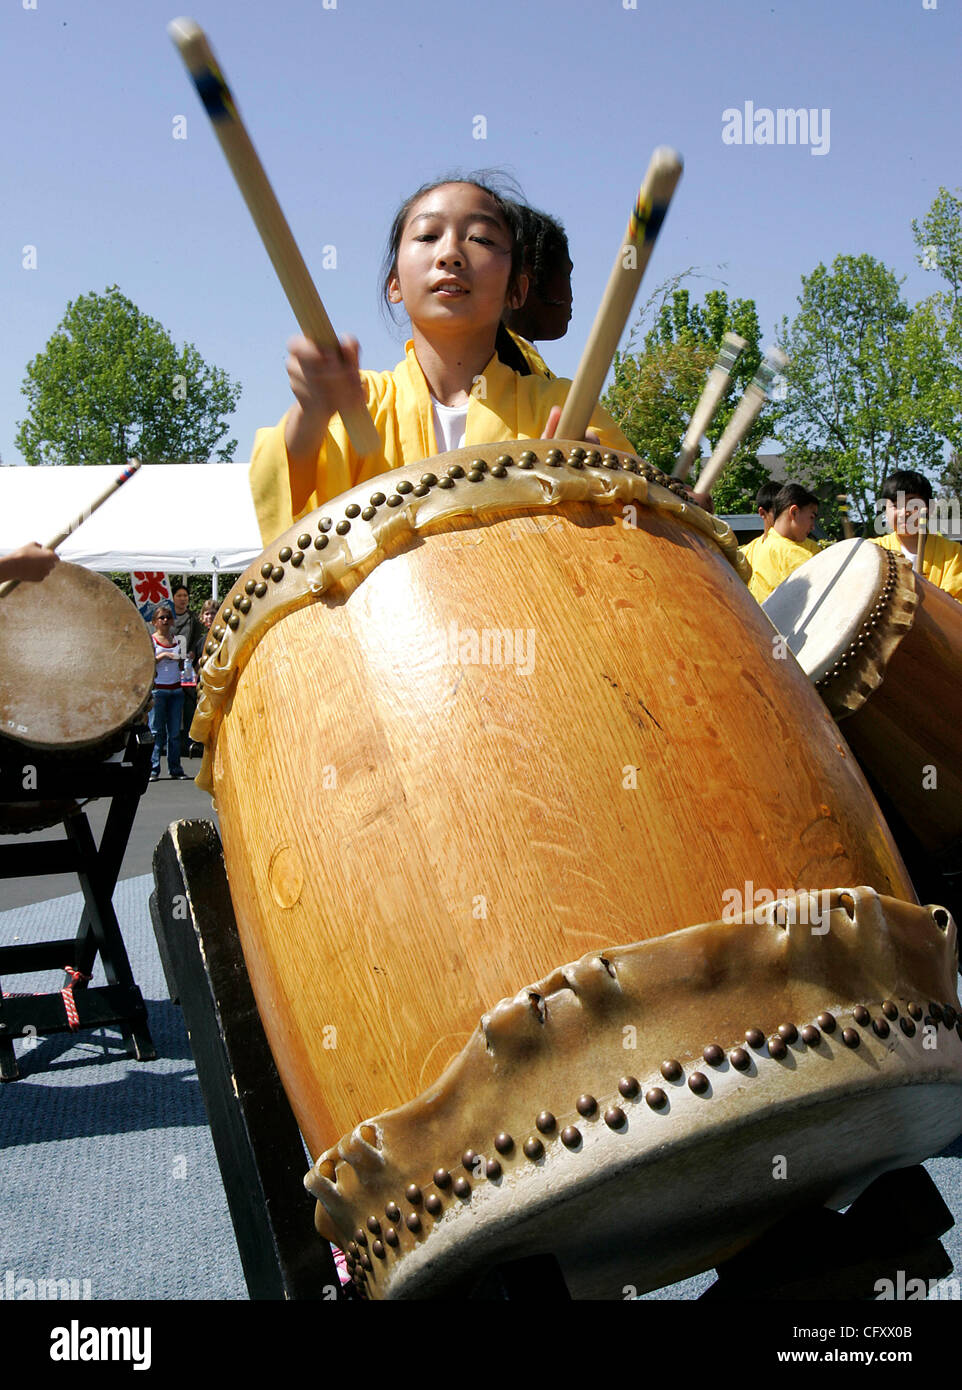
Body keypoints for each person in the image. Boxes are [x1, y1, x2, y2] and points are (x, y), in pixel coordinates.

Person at [249, 176, 635, 545]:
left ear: (516, 290)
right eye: (427, 236)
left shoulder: (566, 406)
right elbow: (283, 499)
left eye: (481, 238)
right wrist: (312, 414)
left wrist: (594, 489)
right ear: (394, 284)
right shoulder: (359, 403)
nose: (450, 254)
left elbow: (639, 521)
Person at [503, 204, 573, 378]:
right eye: (567, 275)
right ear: (530, 266)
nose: (571, 296)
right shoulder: (500, 360)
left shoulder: (532, 367)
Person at [872, 469, 962, 601]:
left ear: (930, 507)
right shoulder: (874, 550)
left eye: (912, 504)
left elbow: (955, 607)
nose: (904, 513)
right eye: (896, 505)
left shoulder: (953, 553)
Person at [746, 483, 821, 603]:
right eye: (811, 517)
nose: (812, 527)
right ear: (794, 512)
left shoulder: (770, 544)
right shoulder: (791, 554)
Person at [149, 604, 187, 781]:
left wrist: (182, 659)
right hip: (158, 690)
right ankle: (153, 768)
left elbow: (183, 664)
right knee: (156, 732)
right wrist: (163, 656)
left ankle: (175, 768)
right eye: (161, 618)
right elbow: (147, 663)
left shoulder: (179, 640)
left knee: (174, 733)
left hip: (176, 689)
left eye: (168, 618)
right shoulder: (151, 640)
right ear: (155, 622)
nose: (165, 621)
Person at [739, 480, 781, 569]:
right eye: (778, 512)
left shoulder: (802, 550)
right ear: (762, 513)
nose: (785, 517)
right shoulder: (746, 555)